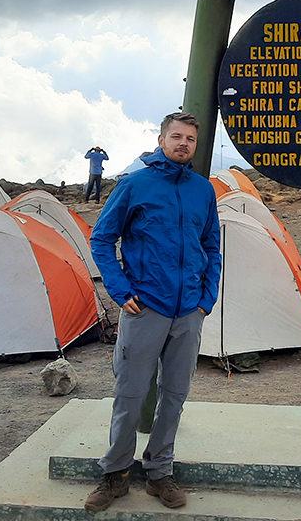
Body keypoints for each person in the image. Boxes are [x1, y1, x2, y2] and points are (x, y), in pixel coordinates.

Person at [84, 112, 222, 512]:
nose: (183, 144)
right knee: (130, 394)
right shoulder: (135, 185)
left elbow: (211, 246)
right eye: (176, 137)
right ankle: (115, 474)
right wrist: (119, 288)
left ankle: (160, 472)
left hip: (188, 312)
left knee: (175, 395)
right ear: (161, 140)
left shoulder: (202, 190)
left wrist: (205, 299)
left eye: (190, 139)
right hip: (145, 307)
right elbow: (102, 237)